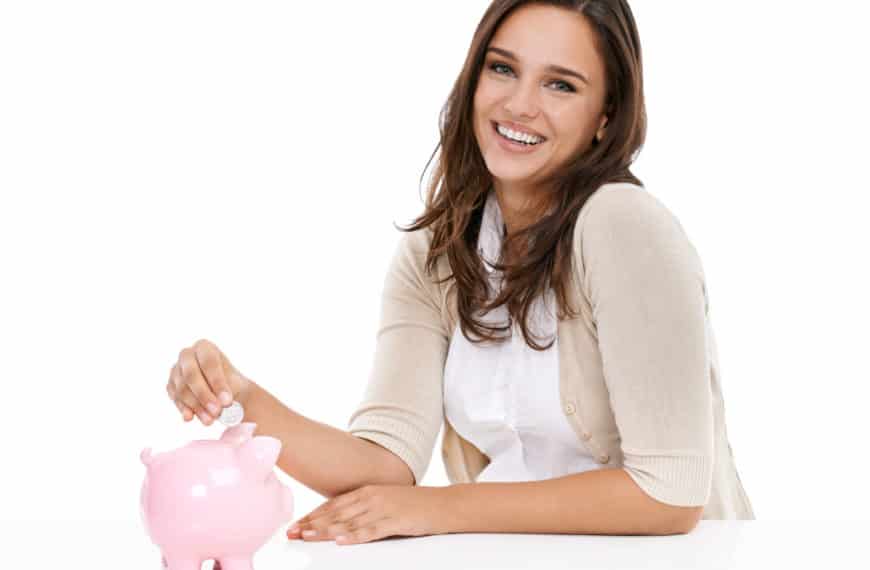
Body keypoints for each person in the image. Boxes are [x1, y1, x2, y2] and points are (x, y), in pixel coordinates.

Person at [166, 0, 755, 547]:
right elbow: (385, 462)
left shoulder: (623, 225)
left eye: (560, 84)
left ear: (605, 116)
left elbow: (670, 493)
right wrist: (241, 397)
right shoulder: (437, 250)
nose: (520, 104)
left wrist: (440, 509)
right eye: (503, 69)